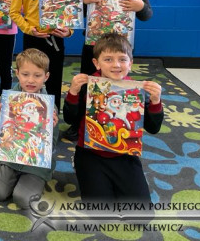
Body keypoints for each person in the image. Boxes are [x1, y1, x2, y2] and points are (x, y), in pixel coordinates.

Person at [65, 0, 153, 140]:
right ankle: (80, 122)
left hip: (121, 48)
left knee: (116, 83)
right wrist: (82, 0)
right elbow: (77, 14)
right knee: (87, 82)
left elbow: (147, 15)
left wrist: (140, 6)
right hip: (93, 46)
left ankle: (109, 121)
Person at [63, 33, 163, 204]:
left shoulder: (137, 91)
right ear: (96, 63)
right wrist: (73, 93)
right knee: (100, 209)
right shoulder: (88, 86)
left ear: (130, 63)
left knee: (141, 212)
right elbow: (70, 119)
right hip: (90, 154)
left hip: (125, 156)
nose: (116, 65)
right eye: (108, 59)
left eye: (122, 59)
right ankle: (80, 166)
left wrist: (155, 102)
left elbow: (153, 128)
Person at [0, 49, 59, 209]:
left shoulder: (49, 107)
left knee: (23, 199)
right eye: (25, 74)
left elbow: (52, 145)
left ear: (46, 77)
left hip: (35, 165)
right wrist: (2, 121)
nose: (31, 80)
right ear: (17, 74)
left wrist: (50, 128)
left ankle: (37, 178)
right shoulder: (7, 101)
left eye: (37, 75)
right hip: (10, 159)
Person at [9, 0, 72, 109]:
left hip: (56, 39)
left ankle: (52, 116)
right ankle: (31, 112)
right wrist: (29, 29)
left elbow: (71, 11)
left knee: (54, 78)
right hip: (33, 39)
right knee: (31, 80)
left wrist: (69, 31)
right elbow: (14, 12)